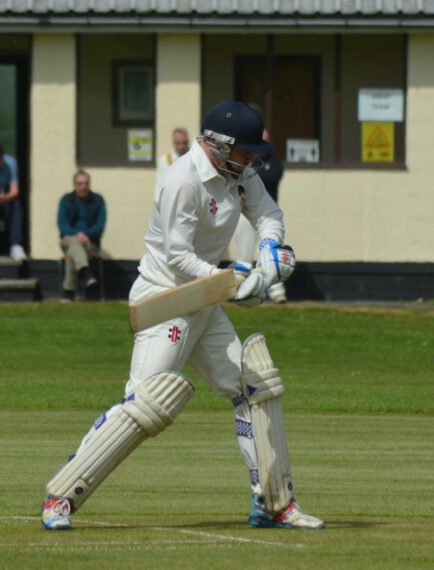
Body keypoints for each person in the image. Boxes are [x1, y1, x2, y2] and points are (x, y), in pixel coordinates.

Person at [40, 101, 323, 531]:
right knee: (146, 404)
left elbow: (269, 215)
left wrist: (269, 251)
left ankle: (273, 502)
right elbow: (178, 256)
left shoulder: (239, 173)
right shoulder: (182, 181)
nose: (251, 160)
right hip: (167, 297)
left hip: (204, 300)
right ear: (217, 144)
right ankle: (61, 496)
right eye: (244, 151)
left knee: (254, 386)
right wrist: (232, 283)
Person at [233, 129, 287, 302]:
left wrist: (253, 174)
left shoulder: (274, 161)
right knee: (244, 253)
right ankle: (240, 289)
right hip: (244, 211)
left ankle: (277, 293)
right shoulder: (246, 164)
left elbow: (272, 177)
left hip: (267, 214)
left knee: (271, 254)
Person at [57, 170, 107, 302]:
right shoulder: (66, 200)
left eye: (86, 183)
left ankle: (68, 292)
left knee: (72, 252)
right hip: (68, 240)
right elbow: (62, 224)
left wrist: (85, 235)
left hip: (91, 243)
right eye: (80, 184)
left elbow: (100, 226)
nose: (83, 186)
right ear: (74, 185)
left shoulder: (98, 200)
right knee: (74, 242)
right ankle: (86, 273)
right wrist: (77, 235)